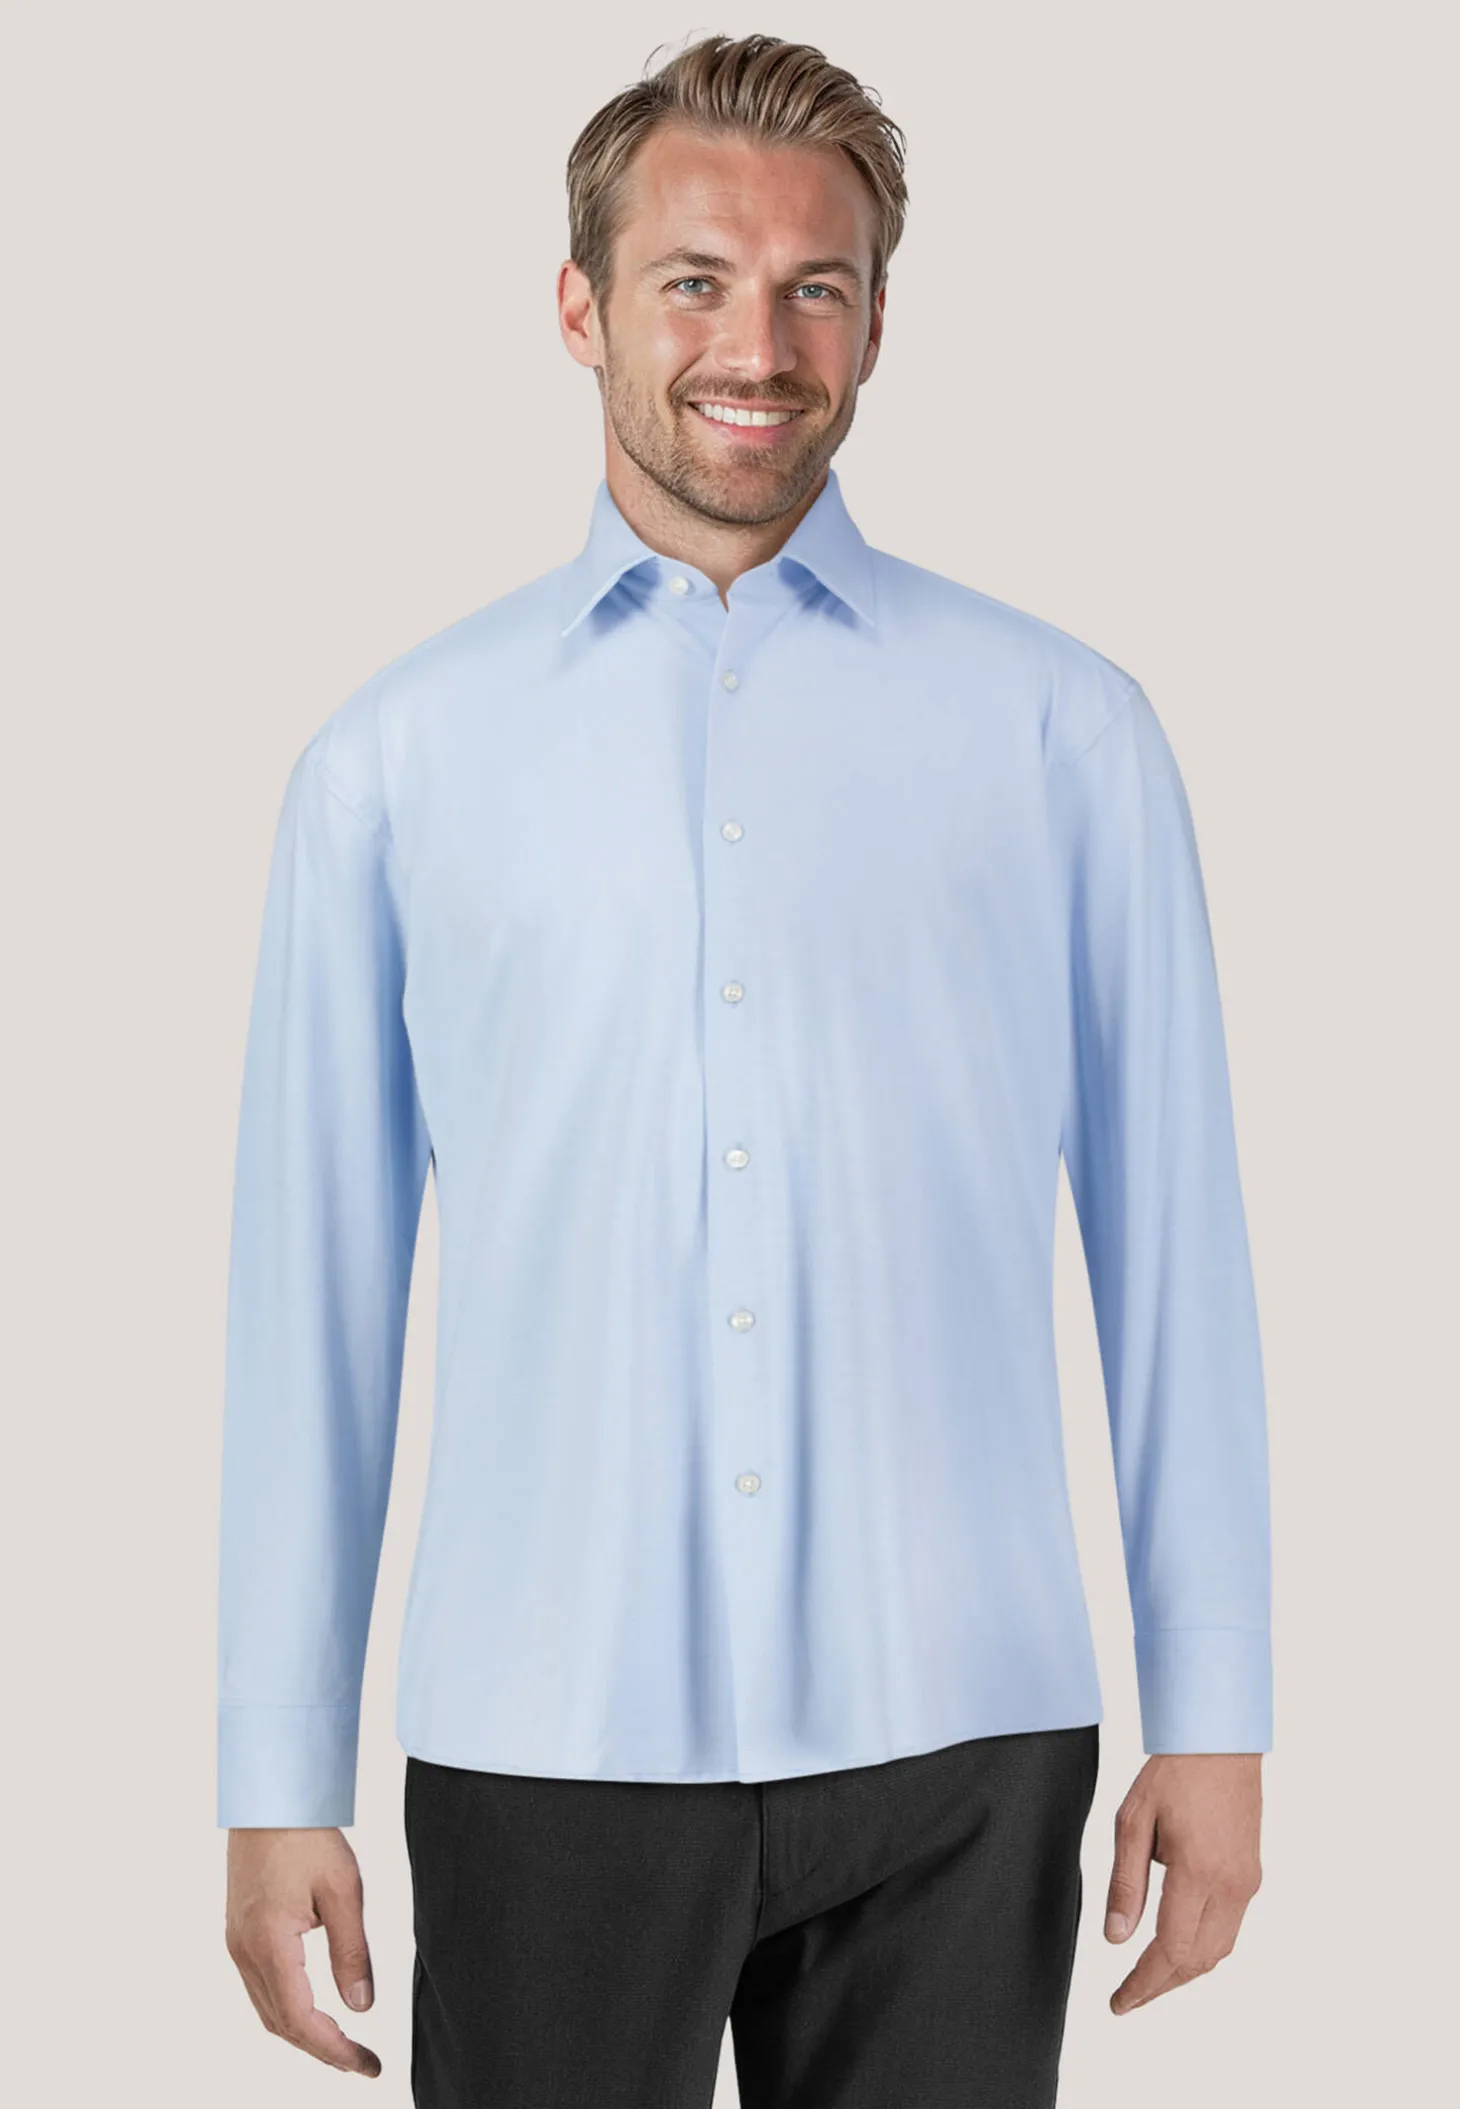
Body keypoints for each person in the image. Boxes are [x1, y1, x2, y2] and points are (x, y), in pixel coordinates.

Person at [218, 31, 1271, 2105]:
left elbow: (1177, 1249)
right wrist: (277, 1769)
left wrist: (1214, 1710)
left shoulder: (1063, 734)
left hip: (962, 1730)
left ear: (878, 318)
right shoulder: (393, 765)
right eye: (694, 280)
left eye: (816, 287)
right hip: (545, 1732)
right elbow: (311, 1302)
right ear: (580, 306)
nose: (757, 347)